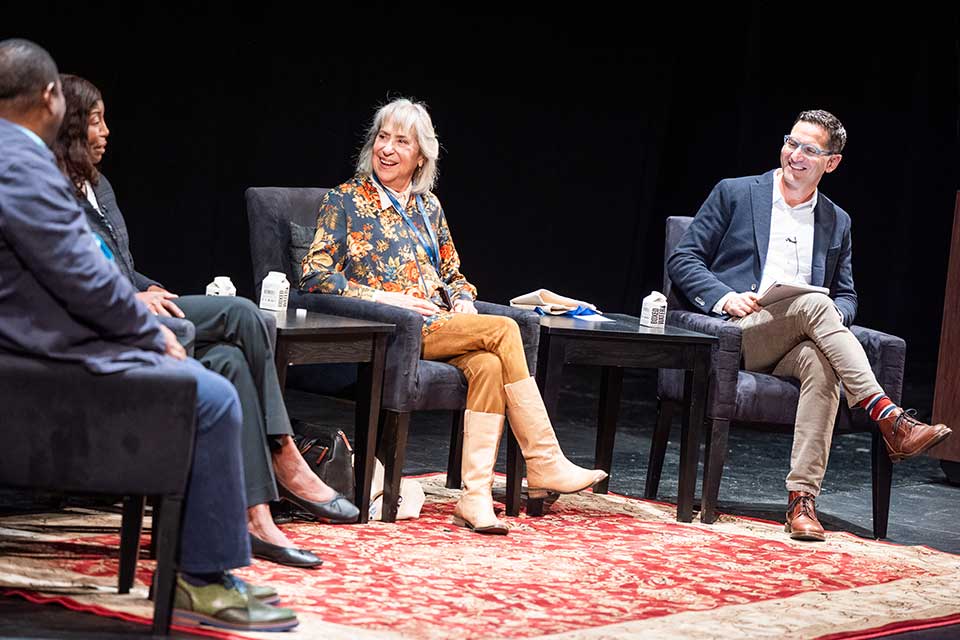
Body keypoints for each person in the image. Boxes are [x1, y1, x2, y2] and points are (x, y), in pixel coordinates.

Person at [0, 39, 297, 630]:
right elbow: (82, 273)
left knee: (214, 370)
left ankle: (211, 563)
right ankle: (200, 578)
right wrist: (145, 330)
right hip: (39, 362)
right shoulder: (21, 163)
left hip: (33, 344)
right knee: (208, 395)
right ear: (51, 99)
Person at [50, 74, 358, 568]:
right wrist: (132, 293)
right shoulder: (51, 190)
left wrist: (144, 285)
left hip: (135, 300)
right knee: (241, 317)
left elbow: (121, 263)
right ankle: (282, 453)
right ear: (68, 127)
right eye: (94, 120)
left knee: (233, 354)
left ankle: (257, 517)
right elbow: (74, 272)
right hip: (104, 323)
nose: (106, 131)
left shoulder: (98, 186)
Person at [299, 97, 607, 535]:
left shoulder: (430, 209)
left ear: (420, 155)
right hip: (393, 330)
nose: (387, 149)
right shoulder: (345, 201)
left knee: (489, 363)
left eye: (401, 141)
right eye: (382, 138)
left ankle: (475, 498)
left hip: (442, 324)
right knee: (503, 329)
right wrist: (390, 300)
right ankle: (543, 460)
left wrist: (463, 298)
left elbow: (453, 274)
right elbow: (314, 276)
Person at [667, 109, 952, 541]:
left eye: (810, 149)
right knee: (814, 305)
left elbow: (847, 295)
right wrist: (726, 297)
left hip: (797, 339)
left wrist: (835, 315)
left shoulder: (837, 220)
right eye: (791, 143)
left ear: (831, 162)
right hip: (740, 332)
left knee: (823, 362)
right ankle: (887, 416)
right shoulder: (736, 193)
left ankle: (802, 501)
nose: (795, 155)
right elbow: (683, 259)